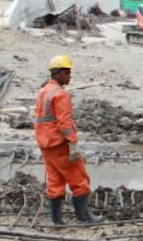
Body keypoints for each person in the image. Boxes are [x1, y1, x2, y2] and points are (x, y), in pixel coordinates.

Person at [34, 54, 101, 225]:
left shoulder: (44, 92)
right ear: (58, 73)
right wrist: (73, 143)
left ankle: (57, 220)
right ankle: (84, 217)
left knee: (55, 180)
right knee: (79, 179)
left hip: (46, 143)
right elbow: (64, 123)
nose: (69, 76)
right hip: (59, 143)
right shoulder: (60, 94)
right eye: (67, 73)